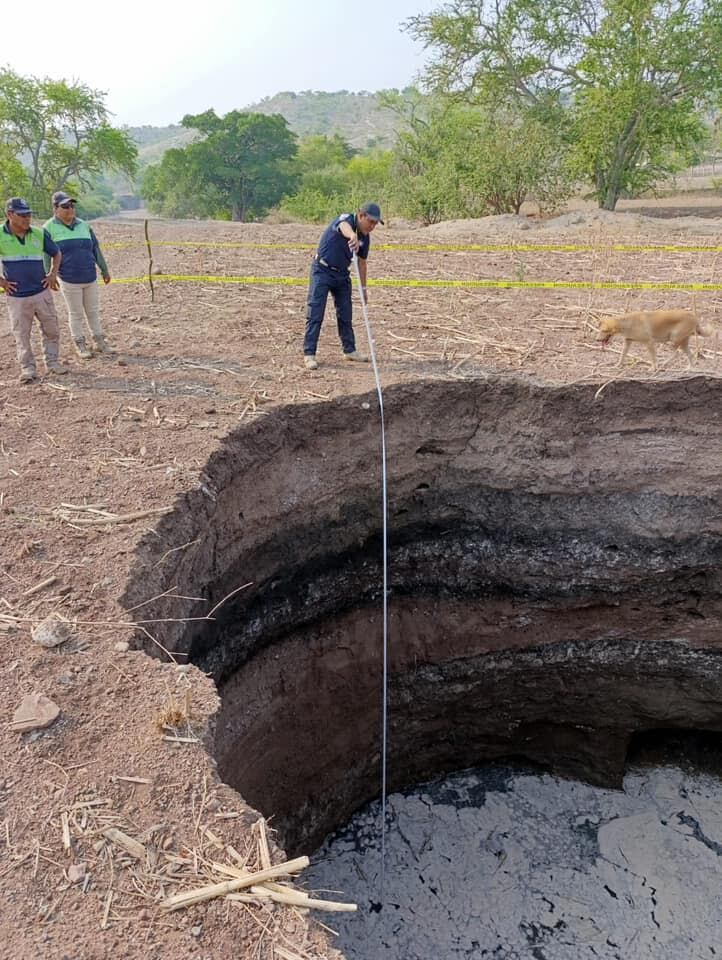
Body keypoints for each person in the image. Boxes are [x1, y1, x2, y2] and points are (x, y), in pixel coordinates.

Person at [302, 201, 383, 370]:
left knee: (345, 314)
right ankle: (309, 353)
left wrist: (363, 288)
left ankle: (350, 350)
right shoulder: (347, 219)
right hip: (322, 270)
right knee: (315, 312)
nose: (373, 226)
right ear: (361, 215)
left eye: (376, 223)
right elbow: (343, 226)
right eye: (371, 222)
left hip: (342, 274)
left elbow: (362, 263)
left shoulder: (365, 238)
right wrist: (351, 236)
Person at [0, 197, 67, 384]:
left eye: (28, 215)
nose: (27, 219)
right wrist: (2, 282)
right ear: (10, 215)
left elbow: (56, 253)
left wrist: (53, 273)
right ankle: (27, 368)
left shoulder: (39, 233)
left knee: (51, 328)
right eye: (22, 215)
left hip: (41, 292)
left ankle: (52, 362)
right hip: (17, 297)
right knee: (22, 334)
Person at [43, 191, 114, 359]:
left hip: (90, 276)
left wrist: (104, 269)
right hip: (69, 279)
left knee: (93, 311)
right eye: (65, 206)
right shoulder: (48, 228)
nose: (70, 209)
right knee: (75, 313)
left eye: (72, 206)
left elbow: (95, 249)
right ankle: (80, 344)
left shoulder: (84, 225)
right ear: (55, 209)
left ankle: (99, 341)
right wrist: (49, 275)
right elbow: (46, 255)